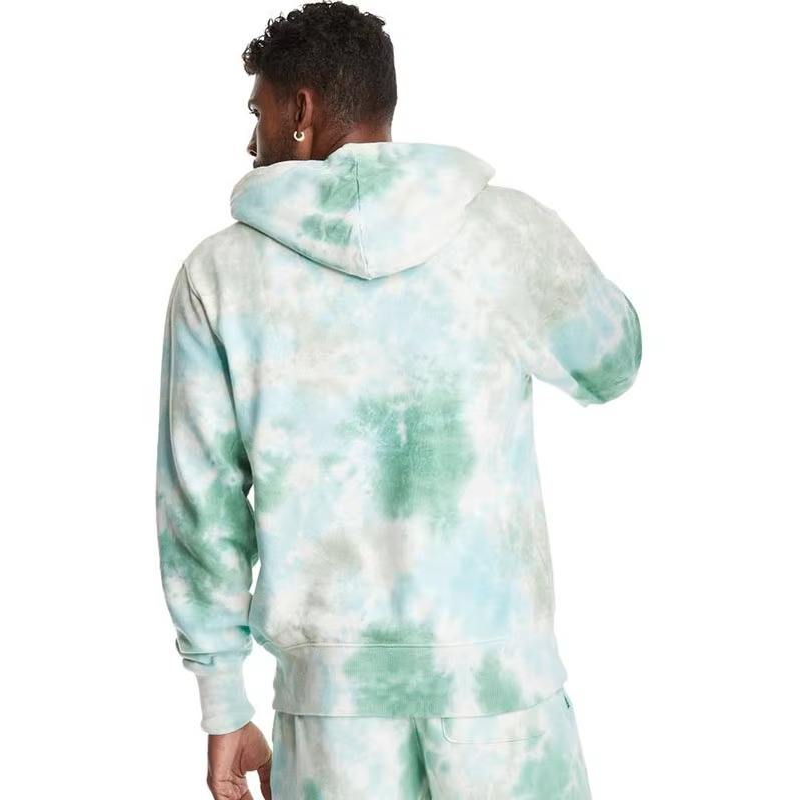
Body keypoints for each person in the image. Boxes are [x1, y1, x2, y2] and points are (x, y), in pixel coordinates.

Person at [154, 2, 642, 798]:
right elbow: (613, 364)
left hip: (334, 722)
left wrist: (223, 704)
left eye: (258, 112)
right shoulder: (505, 230)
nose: (252, 141)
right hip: (503, 704)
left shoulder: (219, 275)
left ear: (301, 110)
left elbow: (200, 513)